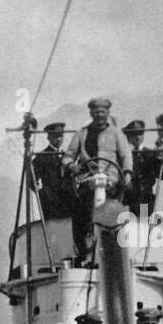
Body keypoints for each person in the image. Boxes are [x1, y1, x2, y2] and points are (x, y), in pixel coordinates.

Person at [63, 98, 134, 256]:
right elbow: (67, 156)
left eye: (103, 111)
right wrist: (71, 166)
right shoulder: (81, 134)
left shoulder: (116, 134)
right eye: (96, 112)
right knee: (80, 213)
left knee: (113, 212)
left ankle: (112, 249)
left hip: (112, 183)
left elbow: (126, 156)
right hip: (87, 182)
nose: (99, 115)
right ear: (91, 113)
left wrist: (127, 174)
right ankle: (84, 250)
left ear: (108, 113)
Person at [121, 119, 163, 217]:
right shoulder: (123, 154)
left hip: (145, 199)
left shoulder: (150, 153)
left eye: (140, 133)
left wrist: (159, 158)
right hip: (126, 198)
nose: (137, 137)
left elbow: (161, 174)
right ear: (128, 136)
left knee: (142, 227)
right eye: (134, 134)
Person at [33, 122, 73, 220]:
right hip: (50, 203)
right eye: (55, 136)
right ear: (49, 138)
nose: (59, 139)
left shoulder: (69, 155)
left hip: (68, 200)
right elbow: (32, 181)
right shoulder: (41, 157)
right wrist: (43, 193)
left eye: (61, 136)